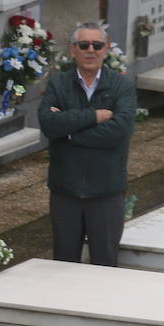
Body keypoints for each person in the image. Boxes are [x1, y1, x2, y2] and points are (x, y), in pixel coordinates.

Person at [37, 21, 138, 267]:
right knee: (63, 265)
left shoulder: (121, 86)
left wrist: (69, 134)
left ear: (106, 49)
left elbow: (120, 131)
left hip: (106, 190)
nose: (90, 50)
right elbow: (49, 124)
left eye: (97, 45)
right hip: (65, 190)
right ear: (73, 50)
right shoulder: (59, 83)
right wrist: (94, 116)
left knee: (104, 263)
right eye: (84, 45)